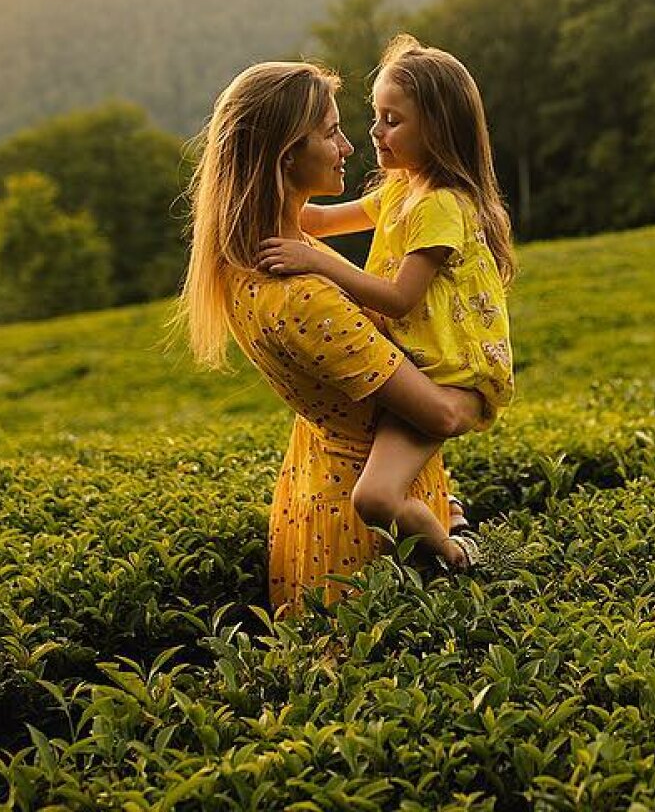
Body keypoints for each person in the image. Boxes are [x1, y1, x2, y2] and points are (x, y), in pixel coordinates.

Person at [175, 60, 485, 618]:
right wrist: (479, 394)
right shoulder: (300, 292)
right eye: (329, 132)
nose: (348, 146)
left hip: (321, 487)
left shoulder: (254, 255)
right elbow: (436, 416)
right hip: (364, 524)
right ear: (286, 154)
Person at [258, 34, 515, 573]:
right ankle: (449, 510)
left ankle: (455, 546)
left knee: (375, 500)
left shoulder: (442, 206)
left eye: (392, 120)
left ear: (438, 128)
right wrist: (256, 200)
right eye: (375, 115)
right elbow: (323, 220)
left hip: (451, 379)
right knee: (378, 491)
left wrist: (321, 263)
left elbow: (400, 300)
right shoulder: (401, 189)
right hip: (422, 368)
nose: (373, 132)